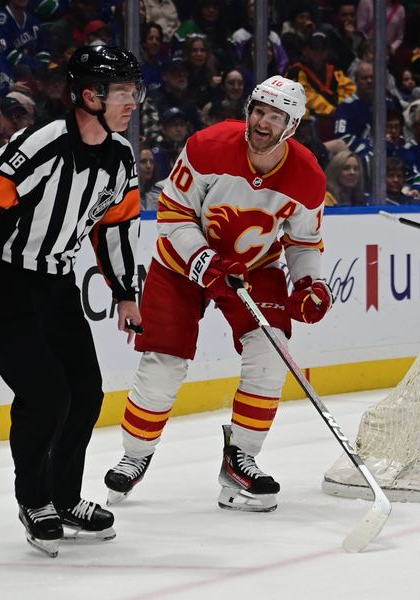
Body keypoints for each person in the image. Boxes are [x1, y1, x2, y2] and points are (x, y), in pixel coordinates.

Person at [0, 45, 145, 558]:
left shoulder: (120, 156)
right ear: (88, 95)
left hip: (57, 285)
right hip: (5, 282)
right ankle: (34, 500)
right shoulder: (41, 144)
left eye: (132, 91)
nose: (132, 102)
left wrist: (125, 292)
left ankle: (65, 496)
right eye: (122, 92)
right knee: (46, 394)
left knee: (85, 393)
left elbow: (117, 226)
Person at [103, 75, 331, 513]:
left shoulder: (307, 176)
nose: (262, 122)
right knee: (163, 362)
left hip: (253, 267)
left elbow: (304, 242)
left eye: (275, 115)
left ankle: (240, 456)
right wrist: (205, 260)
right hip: (180, 264)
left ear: (293, 125)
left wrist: (308, 283)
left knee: (270, 350)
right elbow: (172, 215)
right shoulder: (208, 145)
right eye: (258, 110)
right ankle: (134, 455)